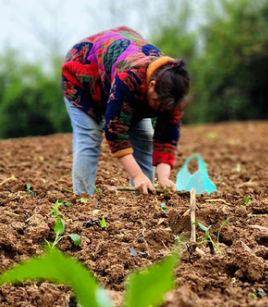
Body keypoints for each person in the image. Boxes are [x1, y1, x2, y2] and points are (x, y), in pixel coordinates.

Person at [61, 26, 190, 194]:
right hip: (81, 75)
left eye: (165, 107)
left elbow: (167, 138)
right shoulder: (130, 78)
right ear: (152, 85)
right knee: (90, 135)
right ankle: (82, 199)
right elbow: (116, 132)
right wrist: (137, 175)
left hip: (116, 82)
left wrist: (164, 178)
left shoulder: (174, 91)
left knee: (144, 137)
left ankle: (144, 198)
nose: (159, 109)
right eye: (157, 103)